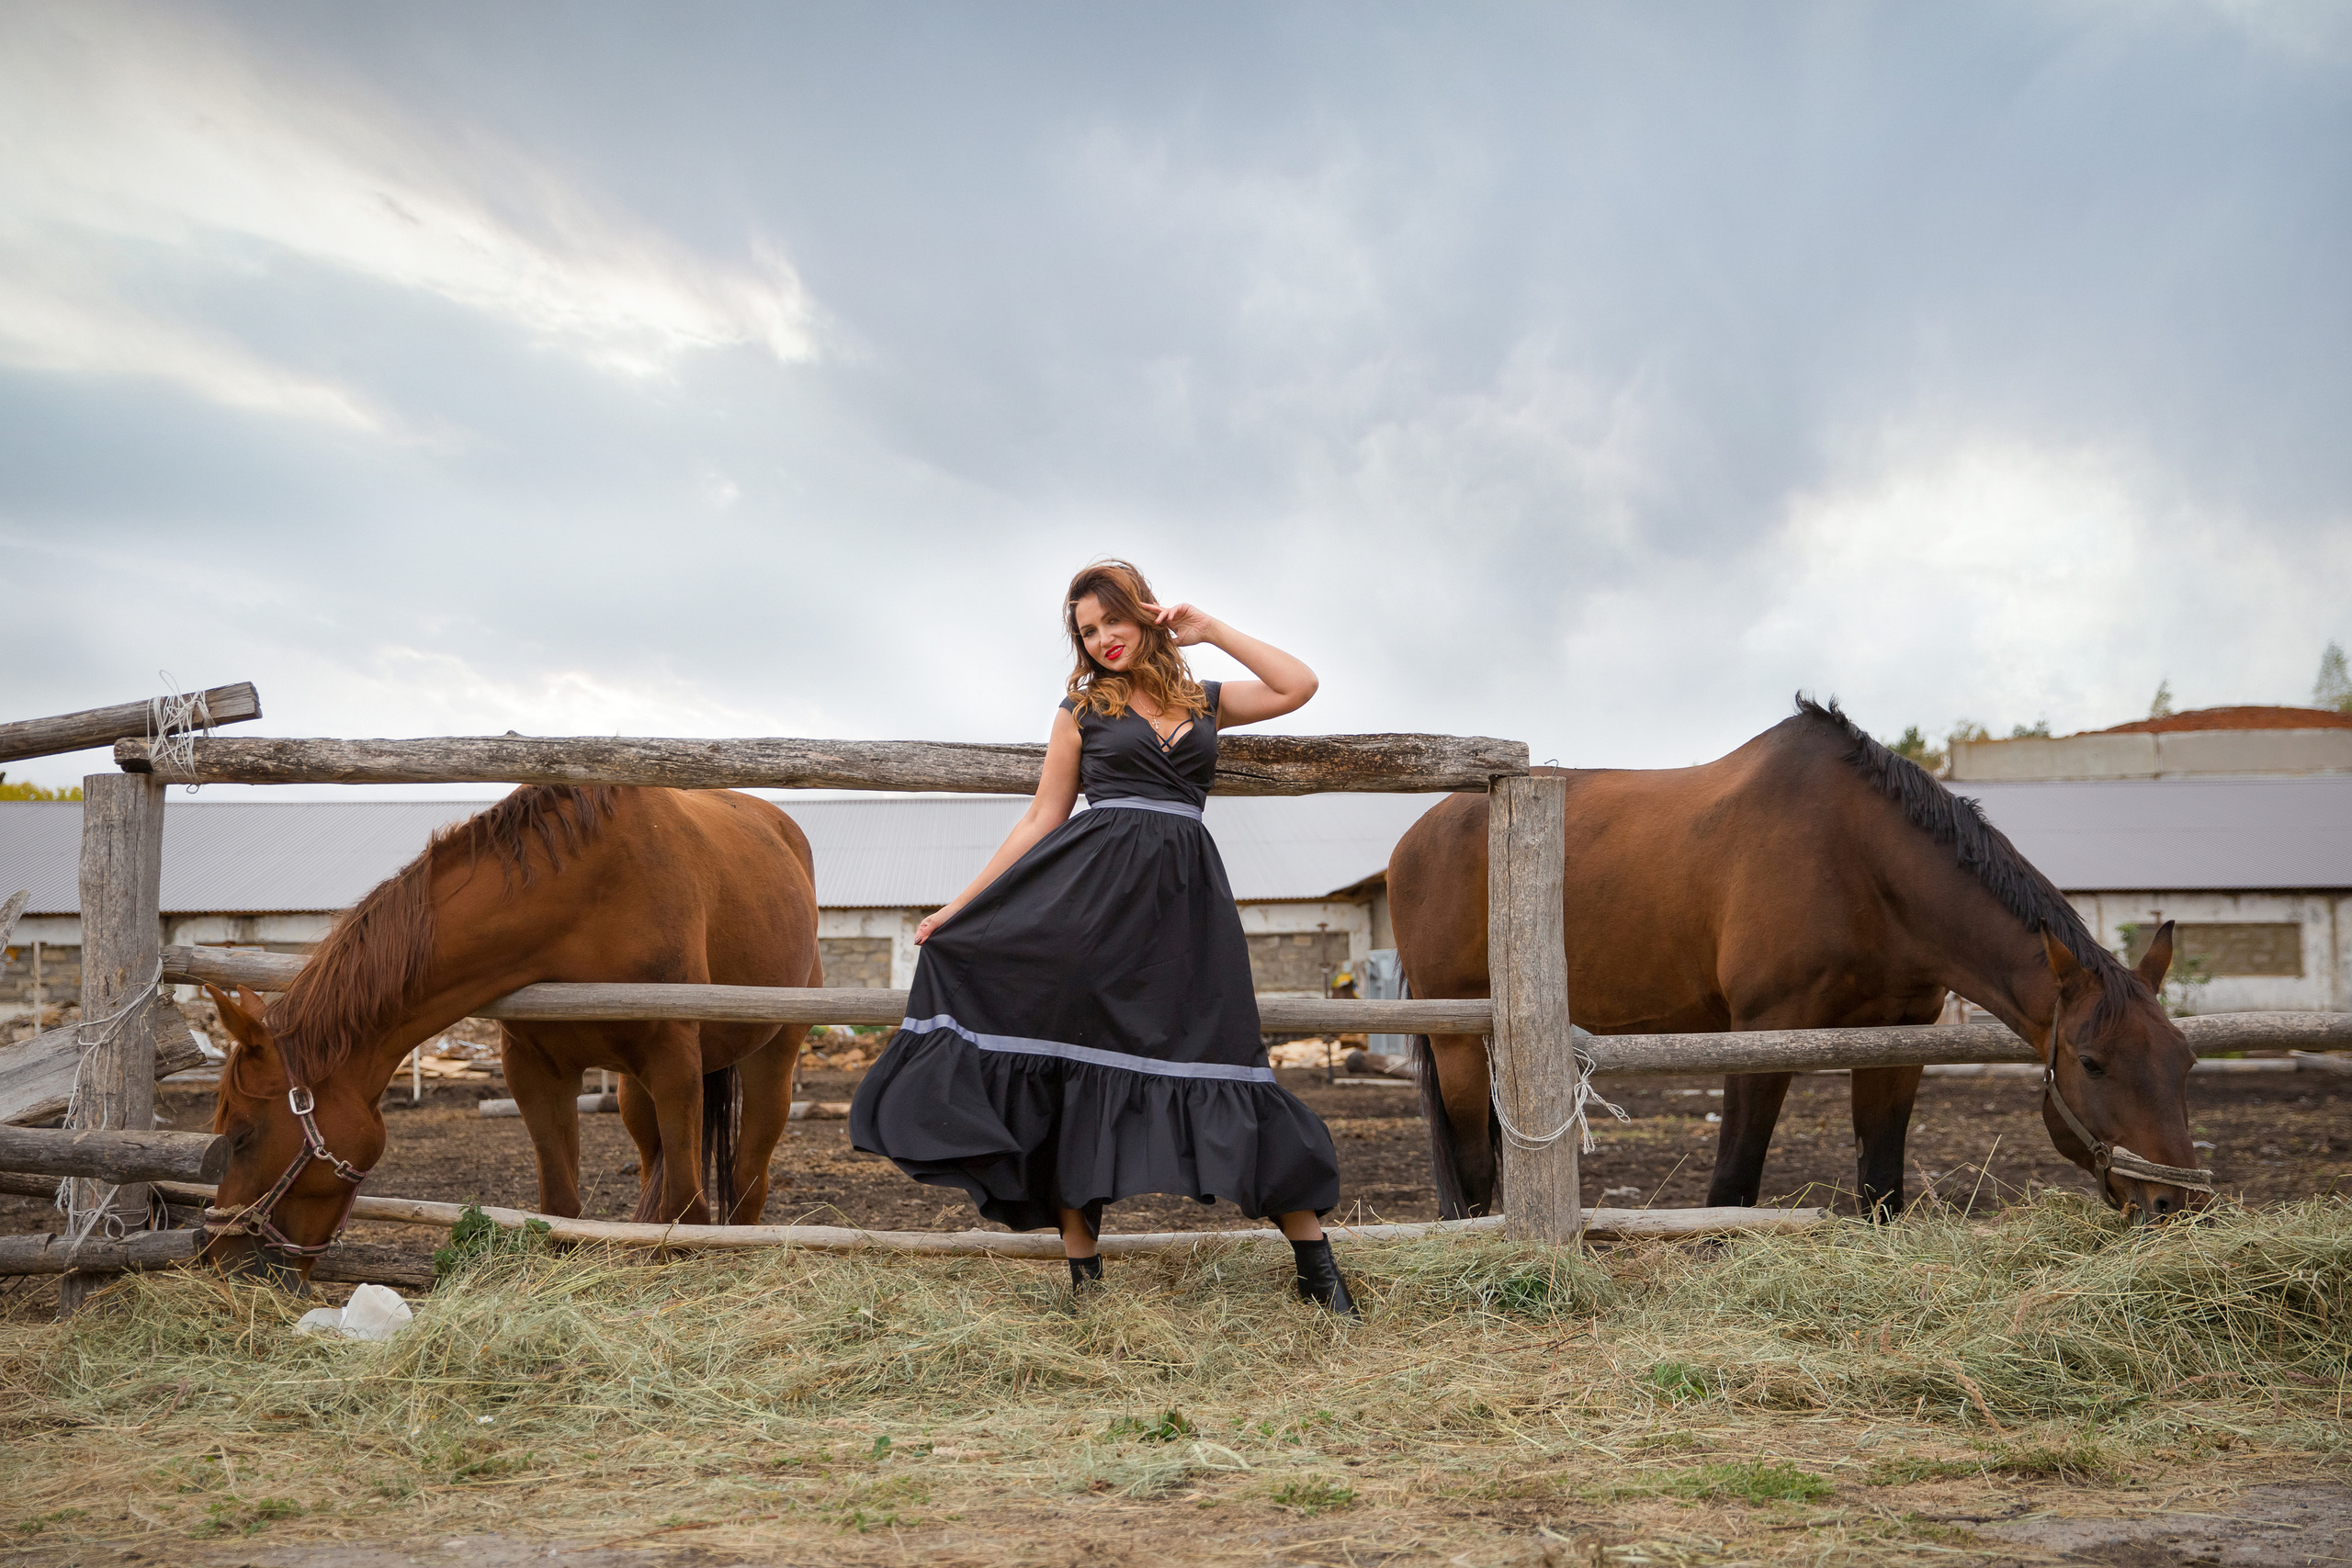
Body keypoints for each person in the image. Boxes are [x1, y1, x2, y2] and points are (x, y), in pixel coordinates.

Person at [850, 559, 1357, 1315]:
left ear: (1145, 613)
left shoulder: (1205, 699)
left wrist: (1210, 628)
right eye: (1087, 631)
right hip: (1088, 915)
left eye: (1113, 619)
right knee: (1073, 1073)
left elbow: (1298, 684)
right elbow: (1042, 817)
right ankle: (1085, 1285)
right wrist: (960, 907)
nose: (1102, 639)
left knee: (1230, 1062)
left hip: (1188, 916)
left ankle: (1319, 1274)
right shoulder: (1081, 710)